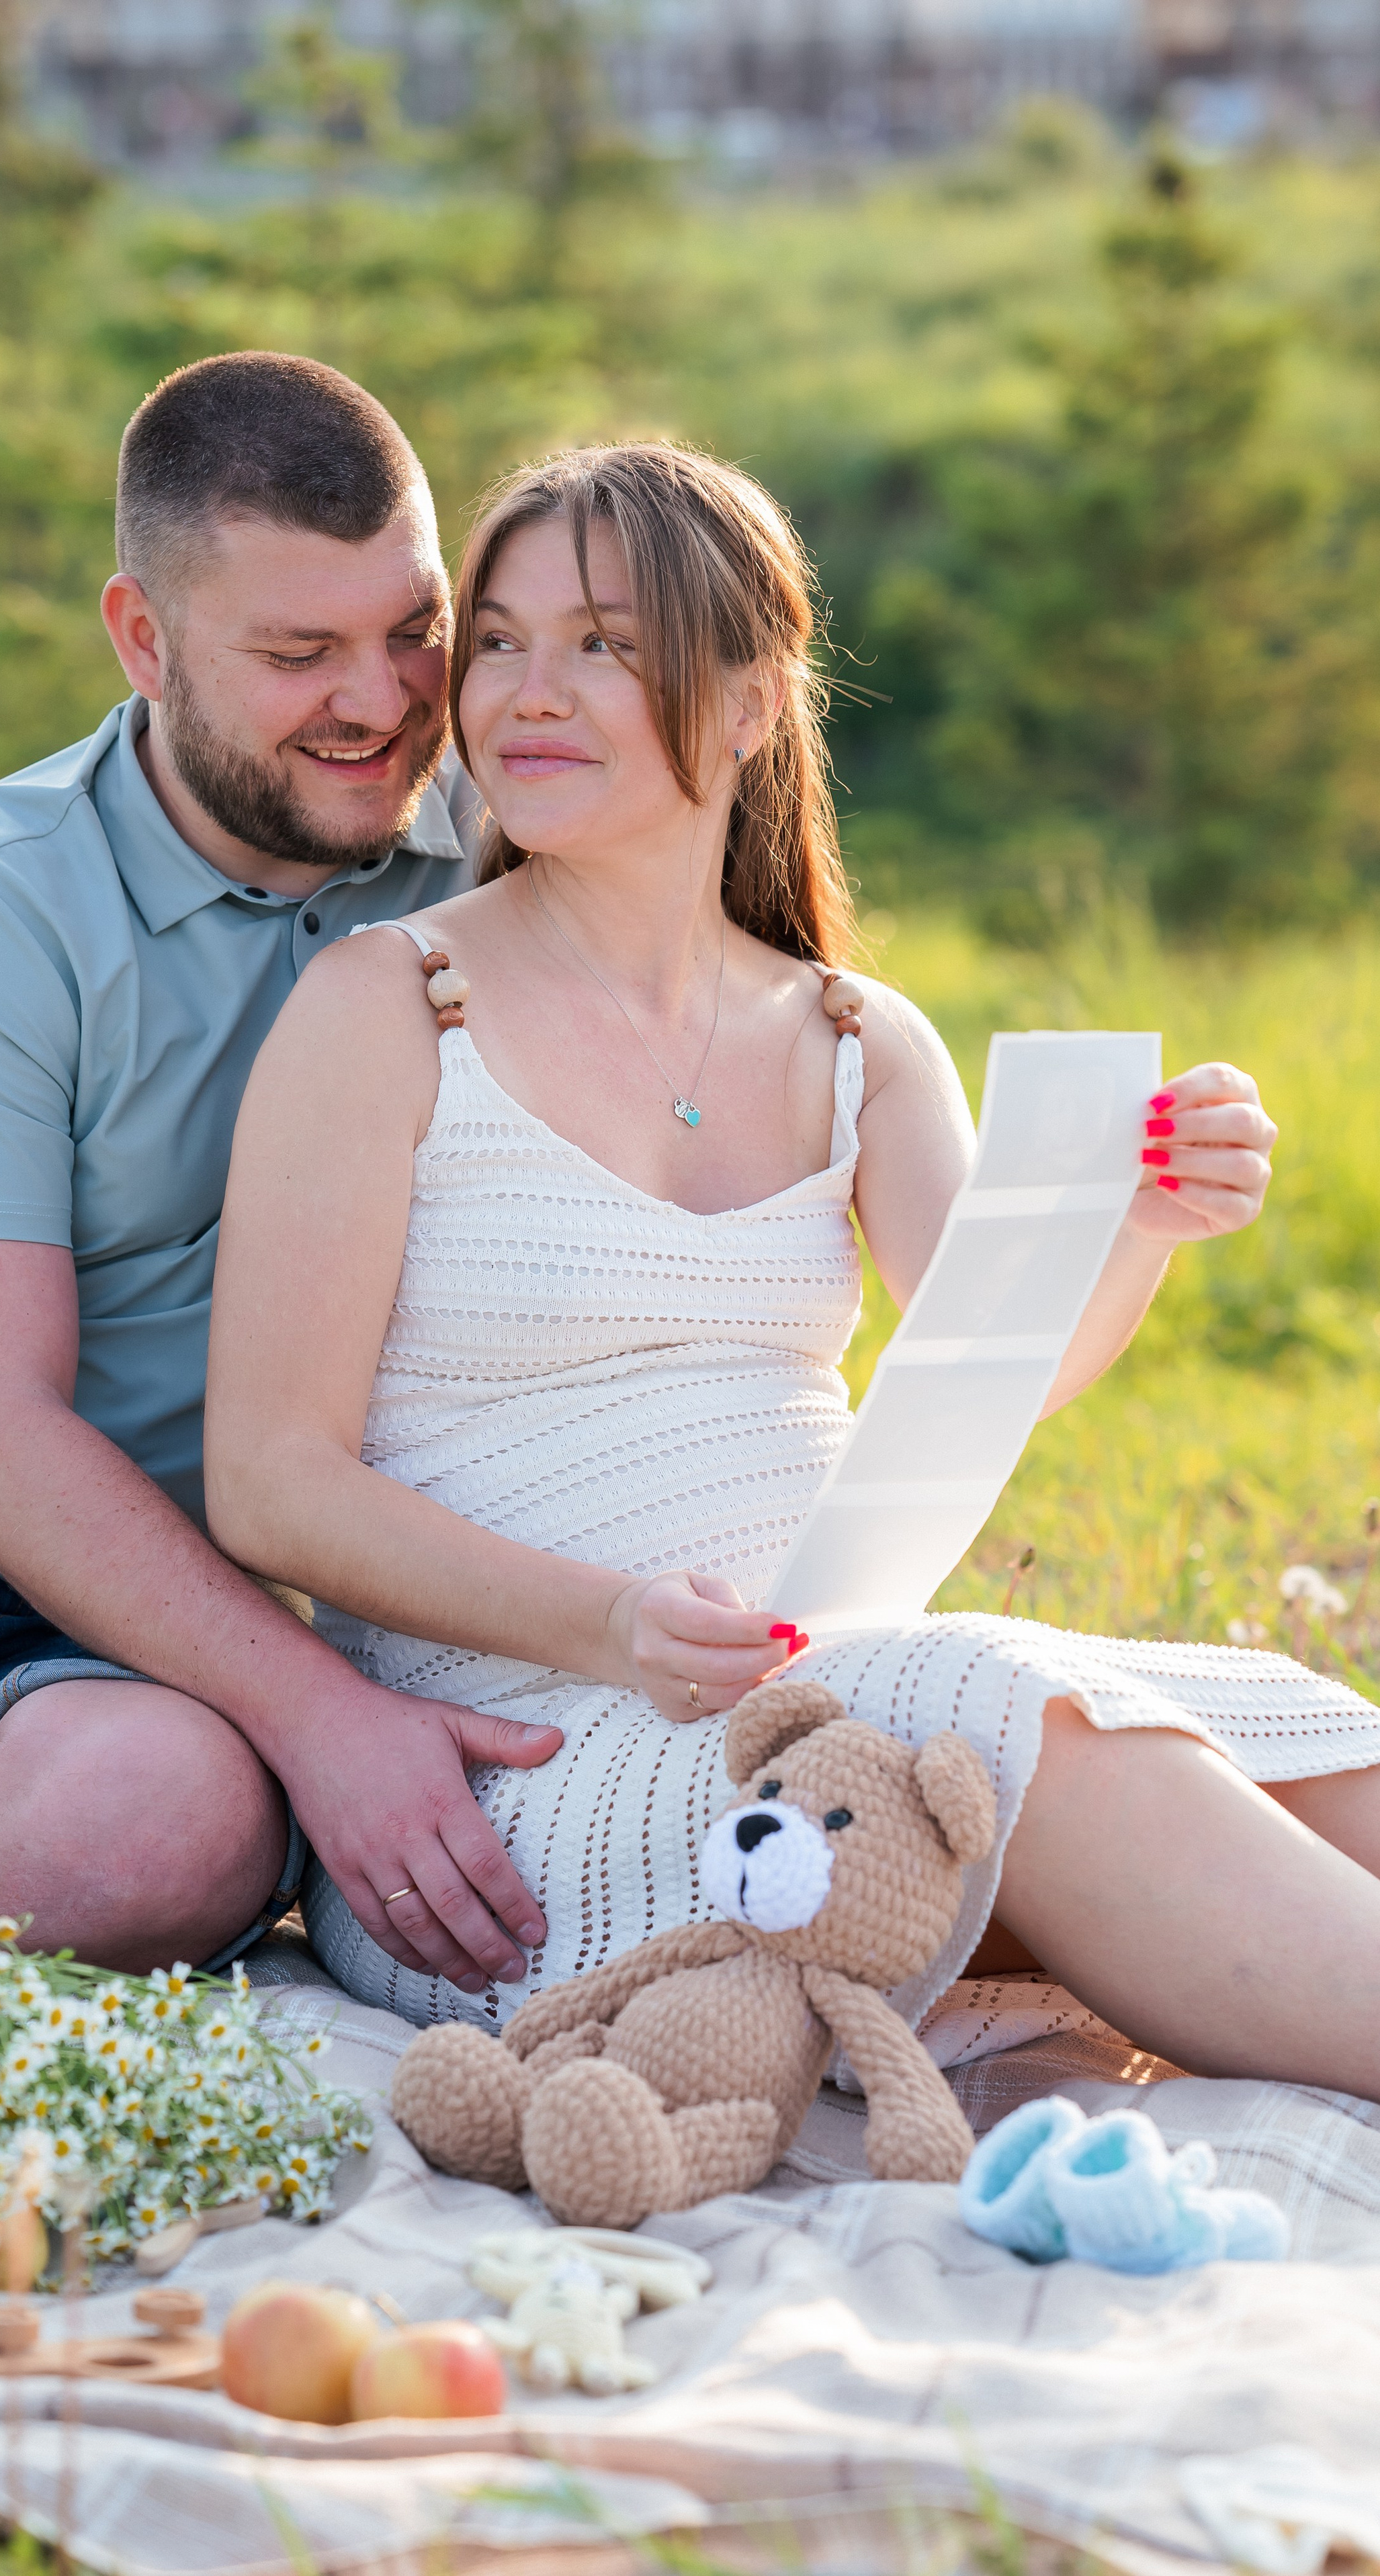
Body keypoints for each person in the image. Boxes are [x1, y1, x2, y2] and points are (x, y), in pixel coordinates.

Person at [204, 439, 1380, 2096]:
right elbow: (266, 1481)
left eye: (604, 643)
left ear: (751, 701)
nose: (527, 692)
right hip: (523, 1788)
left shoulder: (849, 1037)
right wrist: (608, 1623)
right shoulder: (385, 1009)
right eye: (498, 639)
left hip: (827, 1706)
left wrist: (1139, 1227)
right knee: (985, 1701)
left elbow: (992, 1373)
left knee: (1282, 1724)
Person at [0, 351, 570, 1984]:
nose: (380, 701)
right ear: (143, 640)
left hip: (134, 1622)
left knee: (175, 1836)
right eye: (298, 653)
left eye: (412, 628)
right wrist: (326, 1717)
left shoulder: (501, 875)